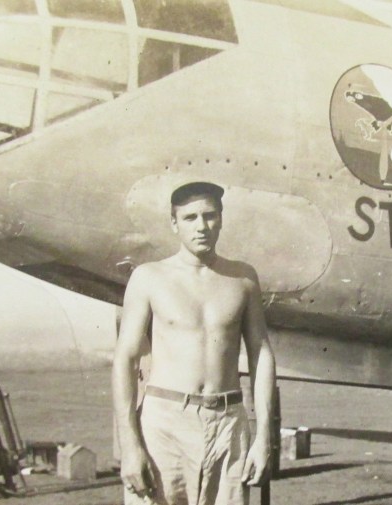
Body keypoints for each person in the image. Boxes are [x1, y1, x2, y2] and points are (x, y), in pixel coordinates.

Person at [112, 180, 276, 505]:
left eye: (209, 216)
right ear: (174, 224)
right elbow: (125, 360)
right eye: (190, 218)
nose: (201, 226)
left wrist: (263, 439)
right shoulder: (149, 277)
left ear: (221, 219)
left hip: (228, 423)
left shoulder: (243, 279)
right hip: (165, 423)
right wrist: (130, 447)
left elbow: (261, 355)